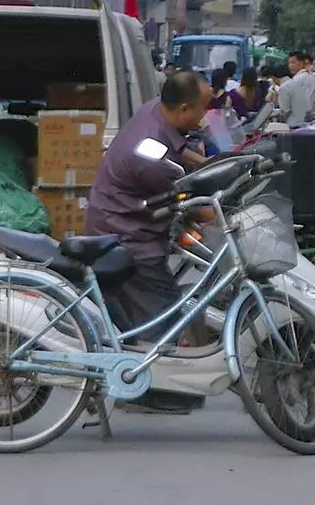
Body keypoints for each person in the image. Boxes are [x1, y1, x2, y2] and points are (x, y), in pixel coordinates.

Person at [83, 70, 211, 414]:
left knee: (134, 314)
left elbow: (181, 152)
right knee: (164, 307)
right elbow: (184, 194)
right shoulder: (150, 159)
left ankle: (138, 373)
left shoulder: (155, 110)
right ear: (183, 108)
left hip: (113, 219)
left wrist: (217, 165)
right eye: (202, 109)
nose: (205, 116)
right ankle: (152, 389)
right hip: (128, 235)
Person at [275, 51, 315, 127]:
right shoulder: (312, 77)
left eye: (293, 63)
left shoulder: (296, 80)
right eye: (289, 63)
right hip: (310, 119)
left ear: (302, 63)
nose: (290, 66)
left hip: (295, 121)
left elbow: (287, 108)